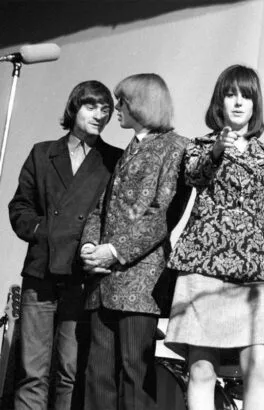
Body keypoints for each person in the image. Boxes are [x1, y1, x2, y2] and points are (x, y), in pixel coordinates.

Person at [164, 64, 264, 410]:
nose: (237, 102)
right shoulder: (199, 146)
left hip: (253, 270)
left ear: (255, 105)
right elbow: (193, 176)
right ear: (218, 102)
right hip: (202, 266)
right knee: (201, 369)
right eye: (230, 95)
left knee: (258, 367)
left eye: (245, 96)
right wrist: (218, 149)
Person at [8, 80, 123, 410]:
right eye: (91, 106)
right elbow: (20, 207)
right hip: (40, 272)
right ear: (74, 108)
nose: (99, 115)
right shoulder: (42, 152)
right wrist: (45, 231)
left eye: (106, 109)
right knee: (32, 372)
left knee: (70, 372)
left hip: (82, 277)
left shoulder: (113, 159)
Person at [79, 73, 189, 410]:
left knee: (135, 375)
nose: (116, 109)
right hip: (103, 281)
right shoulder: (130, 148)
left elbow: (163, 214)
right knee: (98, 376)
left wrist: (114, 251)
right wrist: (89, 247)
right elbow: (102, 207)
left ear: (141, 104)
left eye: (122, 101)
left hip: (140, 284)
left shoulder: (176, 147)